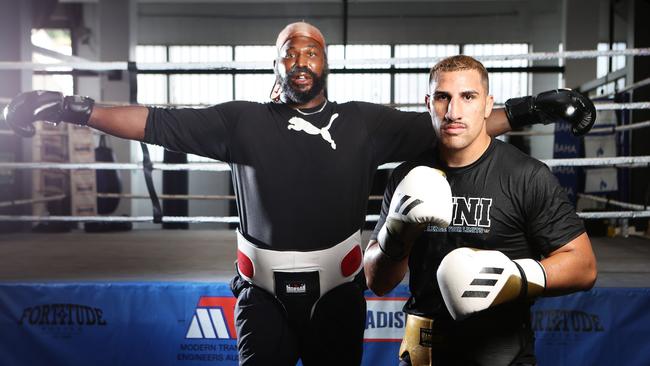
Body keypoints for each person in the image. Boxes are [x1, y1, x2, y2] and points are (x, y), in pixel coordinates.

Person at [3, 23, 596, 366]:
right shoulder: (242, 121)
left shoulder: (364, 121)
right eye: (290, 50)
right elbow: (158, 121)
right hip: (260, 292)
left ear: (327, 63)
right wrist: (74, 109)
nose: (301, 58)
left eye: (311, 49)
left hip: (339, 293)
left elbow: (459, 124)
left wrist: (538, 107)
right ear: (277, 62)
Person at [363, 55, 598, 366]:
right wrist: (398, 233)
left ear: (488, 105)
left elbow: (583, 266)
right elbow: (377, 282)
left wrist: (516, 276)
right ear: (428, 103)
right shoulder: (407, 176)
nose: (453, 111)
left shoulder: (526, 175)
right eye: (442, 97)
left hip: (501, 352)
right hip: (422, 353)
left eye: (468, 97)